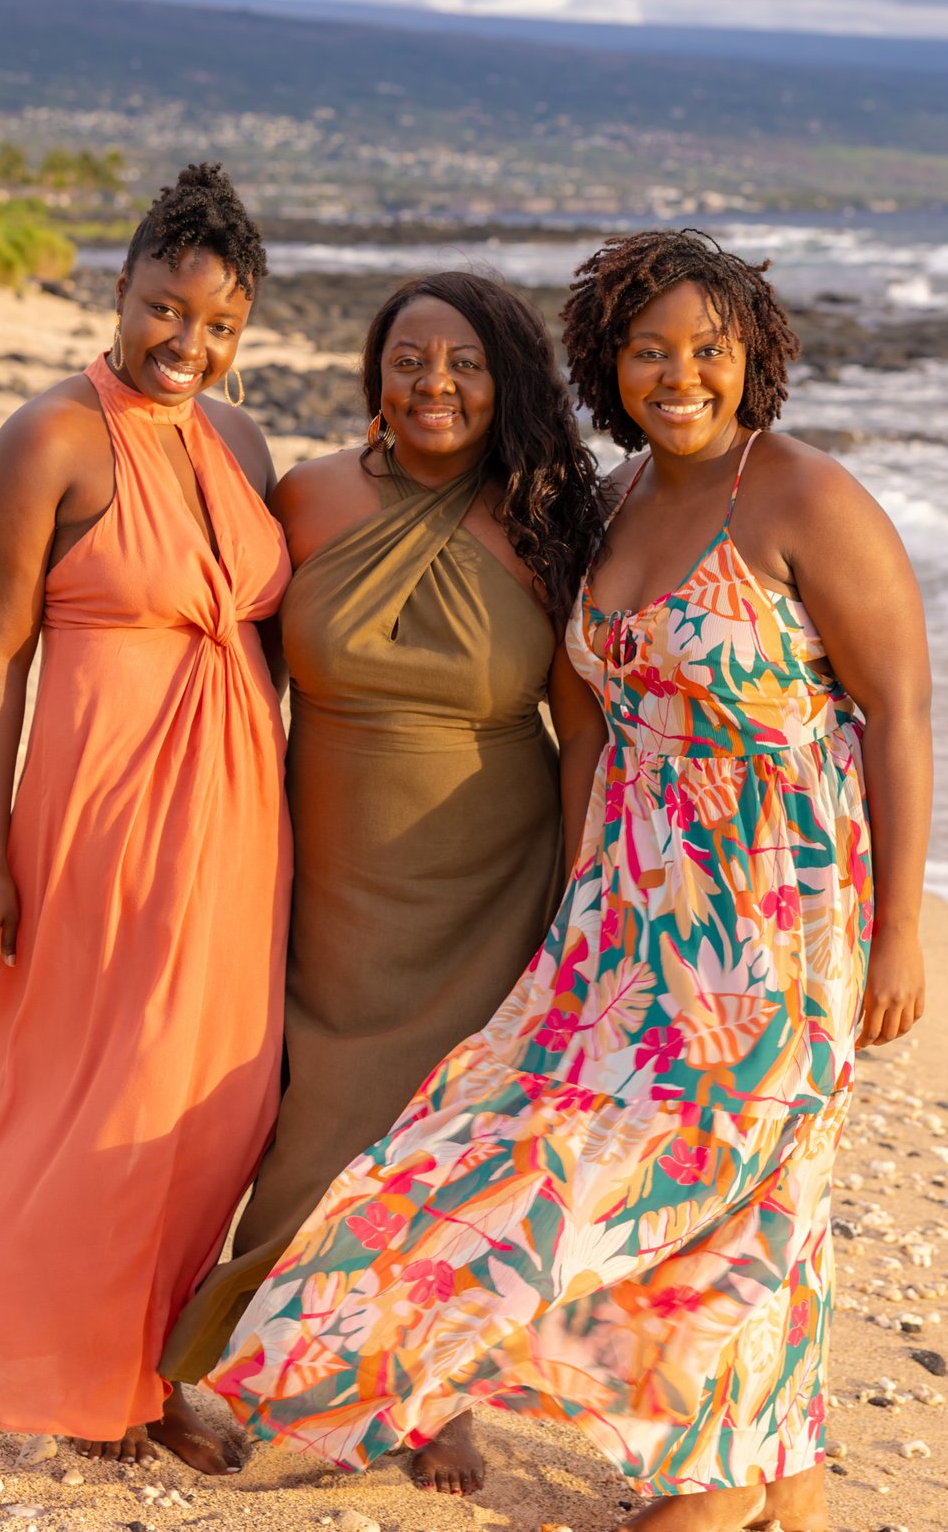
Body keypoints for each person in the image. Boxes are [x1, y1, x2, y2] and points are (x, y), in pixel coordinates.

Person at [209, 228, 933, 1532]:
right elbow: (585, 715)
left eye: (708, 348)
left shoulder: (811, 500)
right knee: (570, 1149)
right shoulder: (611, 500)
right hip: (629, 905)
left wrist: (902, 938)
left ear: (752, 355)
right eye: (648, 349)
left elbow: (903, 711)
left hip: (776, 911)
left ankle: (713, 1486)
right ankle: (783, 1470)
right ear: (606, 364)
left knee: (718, 1174)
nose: (680, 373)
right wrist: (578, 888)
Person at [0, 163, 289, 1474]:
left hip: (239, 829)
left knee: (215, 1113)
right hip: (104, 821)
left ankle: (147, 1363)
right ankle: (73, 1363)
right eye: (168, 309)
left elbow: (271, 651)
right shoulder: (47, 440)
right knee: (105, 1096)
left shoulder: (244, 443)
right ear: (120, 290)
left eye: (220, 325)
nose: (190, 344)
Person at [162, 271, 611, 1495]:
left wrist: (581, 897)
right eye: (409, 360)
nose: (435, 385)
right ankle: (225, 1347)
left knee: (451, 1139)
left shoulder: (541, 521)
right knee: (299, 1124)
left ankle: (434, 1402)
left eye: (463, 363)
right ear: (375, 376)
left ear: (505, 378)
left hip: (490, 872)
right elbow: (231, 675)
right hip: (322, 868)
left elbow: (581, 728)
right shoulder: (308, 498)